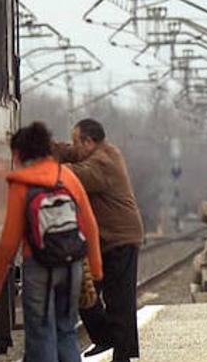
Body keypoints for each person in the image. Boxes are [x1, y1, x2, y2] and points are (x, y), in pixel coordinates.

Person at [0, 122, 102, 362]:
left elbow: (8, 242)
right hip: (72, 266)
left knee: (41, 335)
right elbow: (90, 227)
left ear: (18, 153)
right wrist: (96, 273)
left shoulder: (21, 184)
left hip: (38, 268)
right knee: (66, 332)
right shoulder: (66, 176)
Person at [55, 119, 144, 362]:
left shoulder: (104, 161)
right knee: (87, 293)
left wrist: (43, 168)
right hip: (106, 240)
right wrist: (45, 148)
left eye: (77, 142)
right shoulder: (94, 152)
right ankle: (107, 338)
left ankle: (122, 353)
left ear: (89, 142)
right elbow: (71, 153)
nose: (74, 147)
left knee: (119, 301)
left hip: (120, 239)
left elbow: (77, 175)